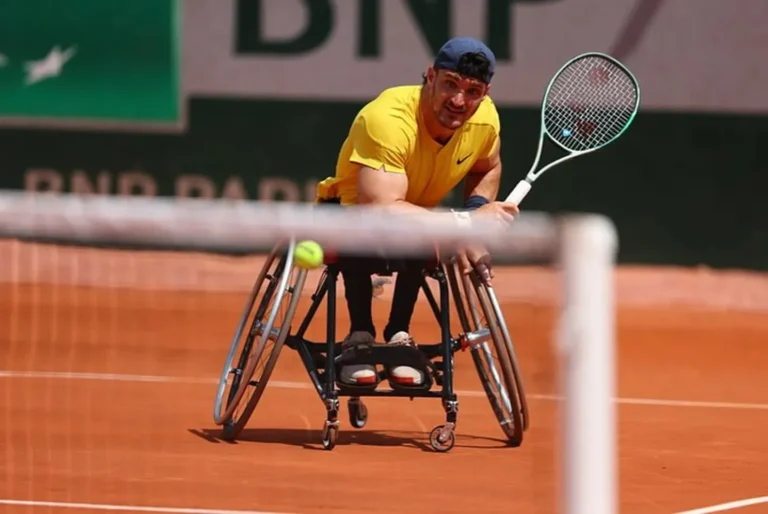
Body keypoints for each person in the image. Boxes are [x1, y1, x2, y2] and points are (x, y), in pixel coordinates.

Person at [315, 37, 520, 388]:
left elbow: (487, 166)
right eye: (450, 85)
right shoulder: (387, 119)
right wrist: (466, 223)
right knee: (372, 231)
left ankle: (399, 336)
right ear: (430, 76)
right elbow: (381, 210)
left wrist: (476, 211)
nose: (459, 101)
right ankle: (360, 336)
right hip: (353, 214)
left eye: (473, 91)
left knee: (421, 231)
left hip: (419, 215)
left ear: (485, 93)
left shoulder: (485, 121)